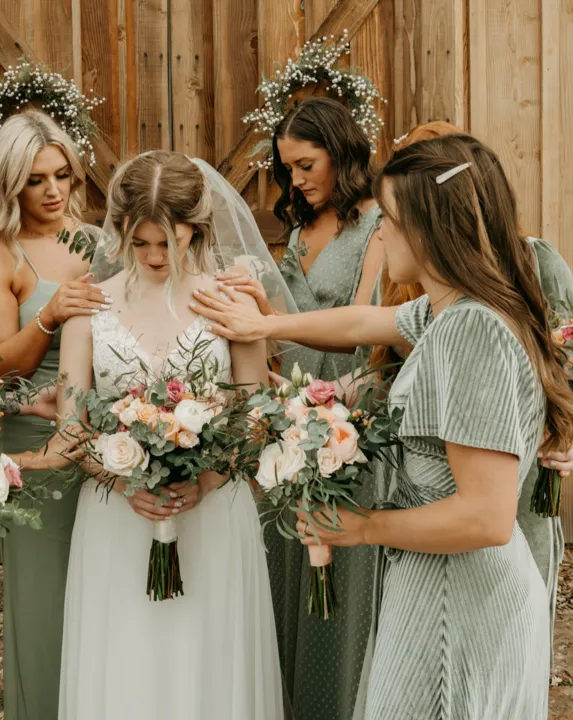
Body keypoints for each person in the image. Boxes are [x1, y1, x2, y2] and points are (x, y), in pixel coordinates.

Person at [191, 134, 573, 718]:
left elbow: (487, 516)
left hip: (460, 605)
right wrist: (265, 326)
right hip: (435, 583)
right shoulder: (450, 310)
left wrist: (362, 526)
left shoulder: (471, 331)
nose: (380, 234)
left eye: (390, 221)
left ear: (430, 228)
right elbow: (361, 323)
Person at [15, 151, 285, 720]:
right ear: (120, 230)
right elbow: (72, 427)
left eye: (170, 241)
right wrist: (121, 478)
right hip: (118, 517)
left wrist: (207, 479)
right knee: (127, 669)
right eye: (141, 243)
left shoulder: (231, 301)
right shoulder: (90, 306)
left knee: (208, 663)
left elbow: (255, 416)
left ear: (197, 228)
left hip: (212, 513)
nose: (156, 256)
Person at [222, 96, 385, 720]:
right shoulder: (298, 231)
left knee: (337, 569)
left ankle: (334, 703)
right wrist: (256, 315)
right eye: (288, 168)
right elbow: (285, 332)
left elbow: (366, 329)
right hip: (289, 419)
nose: (295, 180)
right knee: (285, 558)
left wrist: (274, 323)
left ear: (341, 153)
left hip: (348, 421)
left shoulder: (378, 225)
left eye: (306, 165)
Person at [0, 109, 109, 720]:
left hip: (106, 440)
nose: (53, 191)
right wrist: (49, 316)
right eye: (35, 180)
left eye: (62, 176)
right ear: (9, 183)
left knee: (103, 597)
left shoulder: (98, 241)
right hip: (33, 439)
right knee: (46, 600)